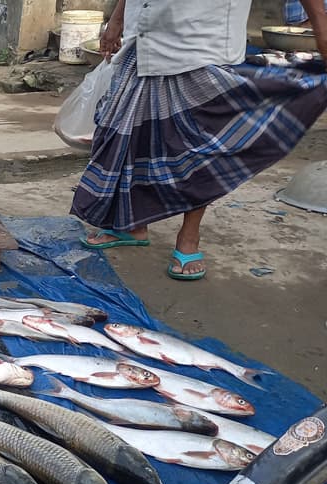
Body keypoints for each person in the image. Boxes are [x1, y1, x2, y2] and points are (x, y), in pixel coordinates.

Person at [73, 0, 327, 280]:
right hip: (144, 32)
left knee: (197, 145)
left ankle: (189, 236)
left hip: (201, 40)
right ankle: (132, 224)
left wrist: (321, 27)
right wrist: (117, 18)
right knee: (130, 132)